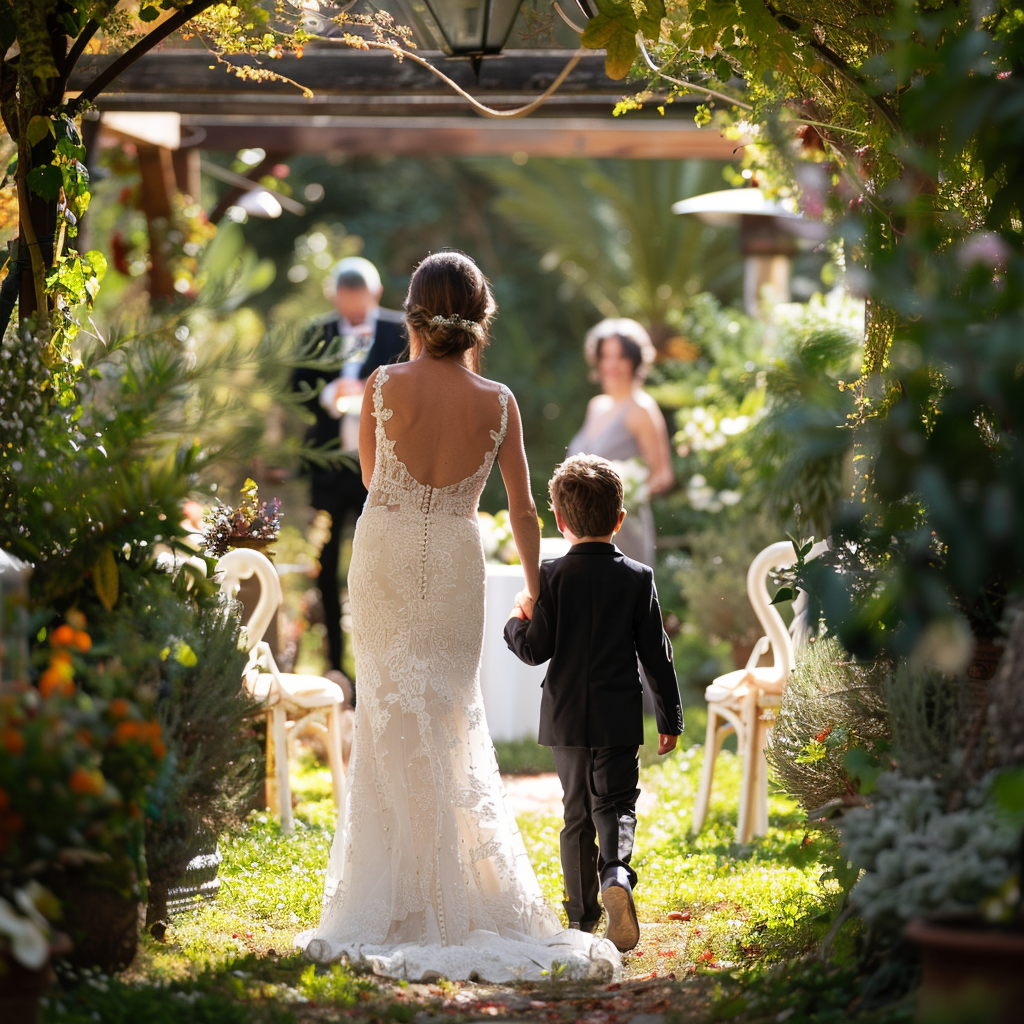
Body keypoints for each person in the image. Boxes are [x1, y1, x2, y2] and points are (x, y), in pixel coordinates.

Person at [297, 251, 619, 983]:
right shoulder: (499, 400)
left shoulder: (380, 385)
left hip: (382, 555)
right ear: (480, 317)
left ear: (412, 311)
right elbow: (526, 508)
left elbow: (375, 481)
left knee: (384, 711)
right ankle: (449, 889)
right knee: (446, 712)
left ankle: (396, 892)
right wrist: (537, 590)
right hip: (454, 558)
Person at [503, 454, 683, 952]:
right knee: (617, 806)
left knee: (576, 813)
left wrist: (516, 619)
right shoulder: (638, 577)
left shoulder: (549, 577)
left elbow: (535, 649)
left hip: (564, 718)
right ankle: (617, 878)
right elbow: (656, 655)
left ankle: (580, 919)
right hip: (618, 717)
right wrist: (670, 716)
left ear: (559, 522)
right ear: (619, 519)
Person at [291, 257, 406, 678]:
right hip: (328, 468)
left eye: (358, 304)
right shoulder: (317, 333)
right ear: (333, 298)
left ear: (374, 295)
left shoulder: (399, 329)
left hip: (381, 470)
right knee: (324, 565)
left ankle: (380, 666)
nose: (352, 313)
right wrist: (328, 394)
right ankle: (335, 668)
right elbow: (296, 391)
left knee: (380, 565)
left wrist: (373, 392)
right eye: (344, 304)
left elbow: (413, 386)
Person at [567, 319, 675, 569]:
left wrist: (627, 492)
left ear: (635, 361)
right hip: (582, 528)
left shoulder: (641, 408)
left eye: (621, 357)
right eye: (606, 356)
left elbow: (663, 474)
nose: (612, 365)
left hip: (623, 527)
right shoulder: (595, 406)